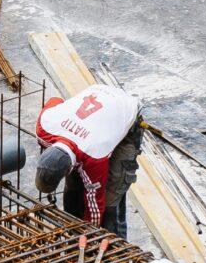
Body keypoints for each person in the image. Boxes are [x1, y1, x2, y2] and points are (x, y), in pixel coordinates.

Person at [34, 81, 143, 236]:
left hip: (123, 109)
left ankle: (116, 249)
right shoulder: (45, 125)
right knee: (74, 189)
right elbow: (55, 101)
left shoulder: (94, 155)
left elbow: (95, 203)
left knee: (110, 200)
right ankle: (73, 233)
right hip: (96, 103)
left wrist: (90, 235)